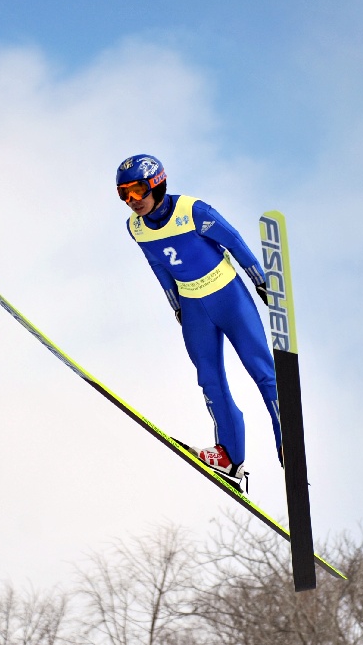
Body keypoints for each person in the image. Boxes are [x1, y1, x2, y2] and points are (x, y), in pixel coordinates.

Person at [117, 154, 282, 481]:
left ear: (157, 184)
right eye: (124, 194)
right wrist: (175, 304)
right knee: (209, 379)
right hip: (193, 308)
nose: (132, 201)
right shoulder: (135, 228)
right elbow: (158, 265)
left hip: (228, 297)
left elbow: (233, 240)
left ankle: (287, 439)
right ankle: (230, 456)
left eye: (137, 191)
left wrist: (260, 279)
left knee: (261, 369)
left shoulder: (193, 211)